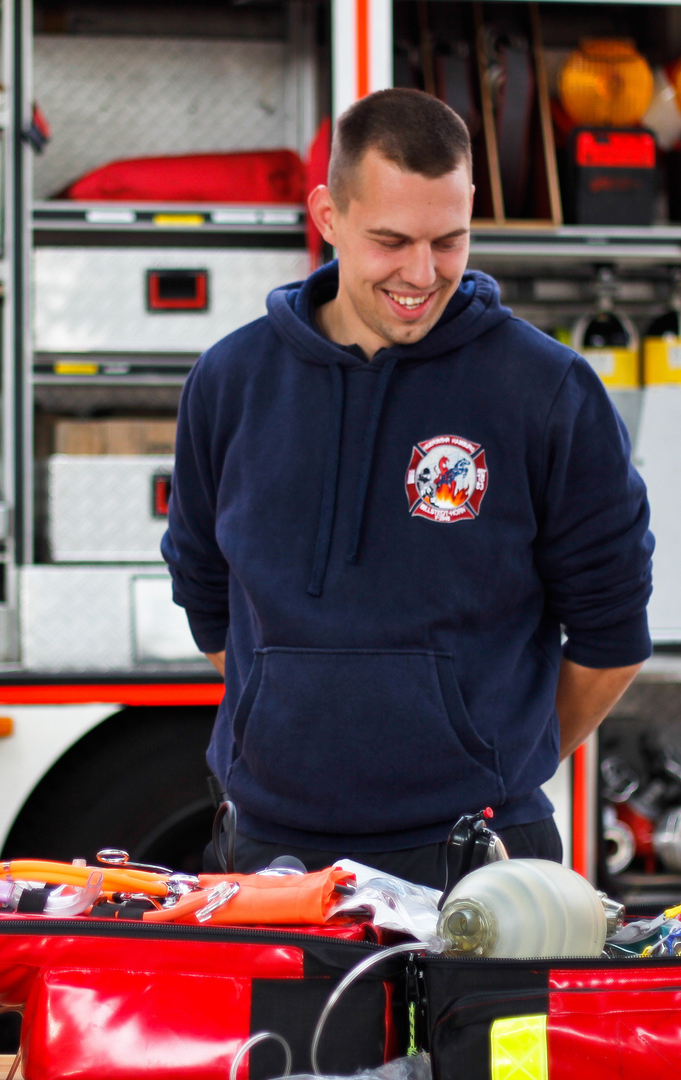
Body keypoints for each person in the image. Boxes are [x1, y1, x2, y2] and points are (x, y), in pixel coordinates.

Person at [160, 88, 654, 888]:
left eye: (448, 241)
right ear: (327, 214)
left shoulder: (545, 389)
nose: (422, 275)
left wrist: (487, 757)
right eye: (391, 240)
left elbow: (613, 633)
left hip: (483, 861)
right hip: (274, 860)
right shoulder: (230, 381)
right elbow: (206, 597)